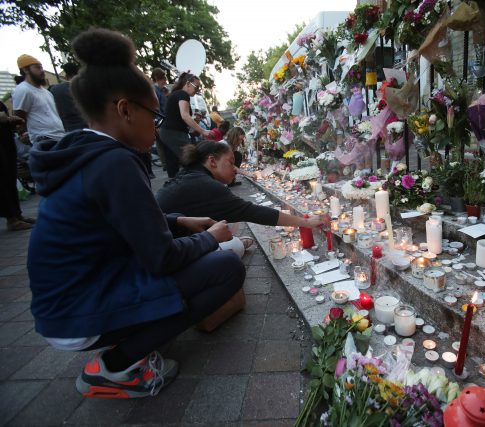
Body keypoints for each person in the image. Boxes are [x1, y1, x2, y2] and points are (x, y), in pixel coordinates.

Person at [27, 28, 246, 399]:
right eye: (155, 118)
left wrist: (178, 222)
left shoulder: (88, 151)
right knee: (227, 268)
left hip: (69, 299)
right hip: (76, 310)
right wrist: (209, 237)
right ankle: (116, 366)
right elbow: (161, 258)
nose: (156, 128)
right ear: (125, 109)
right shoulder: (114, 164)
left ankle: (140, 332)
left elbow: (117, 224)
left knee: (203, 251)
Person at [156, 140, 328, 234]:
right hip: (167, 248)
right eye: (230, 163)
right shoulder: (207, 186)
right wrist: (305, 222)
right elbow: (252, 212)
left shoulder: (190, 175)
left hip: (164, 237)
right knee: (232, 253)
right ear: (212, 161)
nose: (235, 170)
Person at [159, 73, 209, 177]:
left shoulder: (176, 94)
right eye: (197, 86)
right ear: (188, 84)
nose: (198, 90)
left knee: (175, 163)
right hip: (173, 133)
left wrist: (195, 123)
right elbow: (185, 116)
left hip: (168, 132)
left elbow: (179, 118)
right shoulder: (183, 94)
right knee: (192, 160)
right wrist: (202, 131)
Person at [12, 54, 66, 146]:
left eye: (41, 68)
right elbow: (19, 118)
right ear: (25, 70)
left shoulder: (46, 92)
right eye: (38, 68)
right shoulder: (23, 89)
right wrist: (23, 133)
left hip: (60, 138)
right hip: (44, 140)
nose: (42, 71)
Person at [0, 101, 35, 231]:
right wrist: (5, 118)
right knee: (3, 179)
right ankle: (12, 219)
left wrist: (10, 121)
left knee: (10, 177)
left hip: (5, 141)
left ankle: (17, 214)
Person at [49, 62, 87, 132]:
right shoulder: (84, 87)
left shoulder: (54, 90)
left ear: (66, 75)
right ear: (78, 72)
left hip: (67, 128)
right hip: (87, 126)